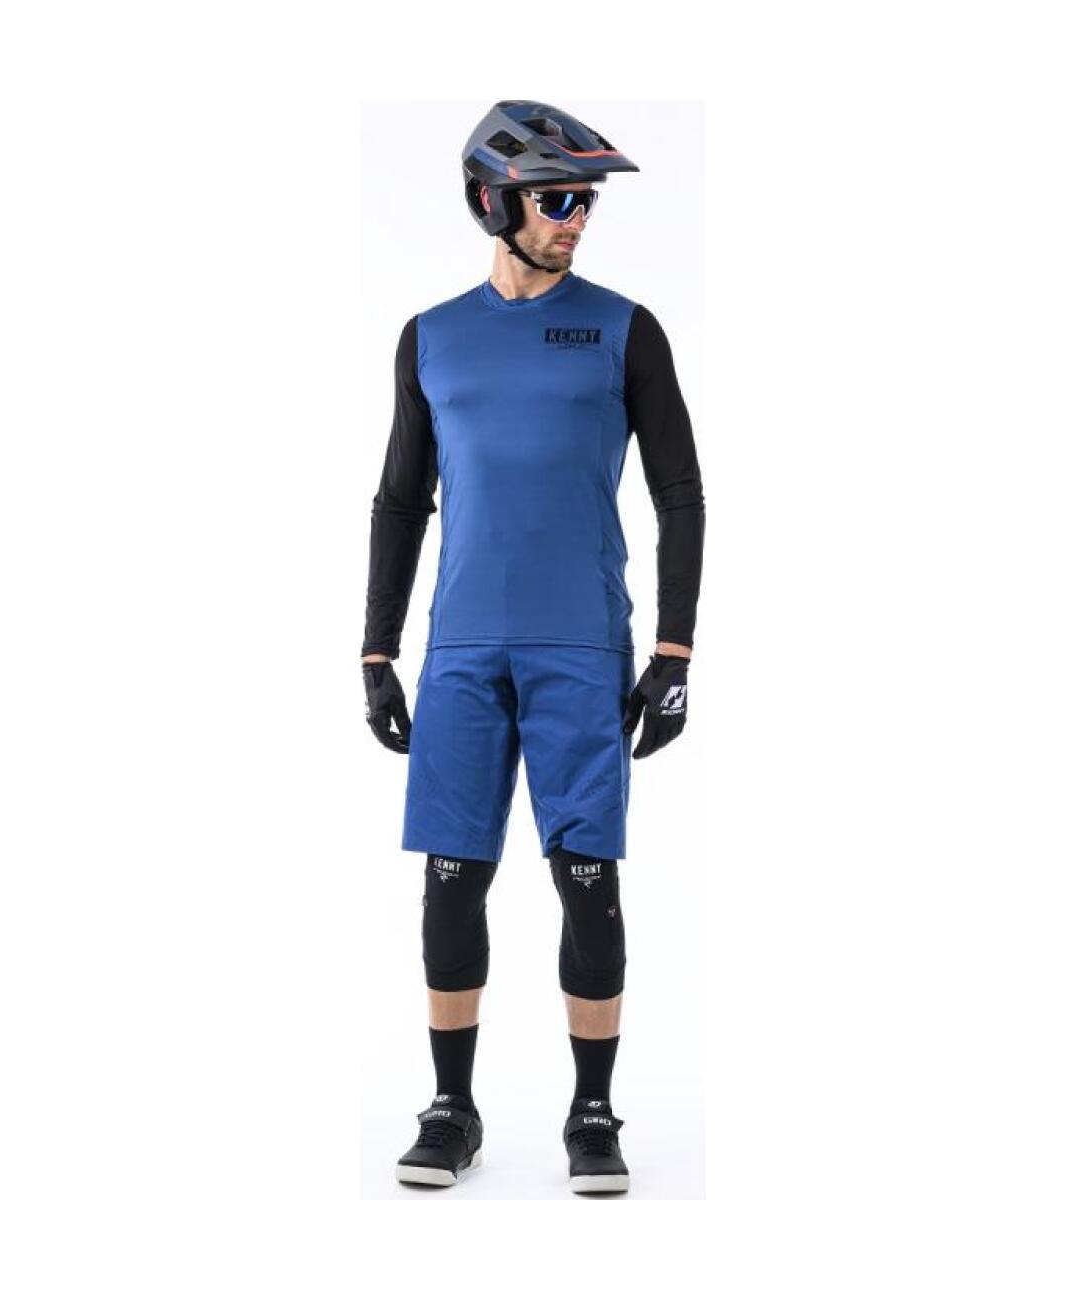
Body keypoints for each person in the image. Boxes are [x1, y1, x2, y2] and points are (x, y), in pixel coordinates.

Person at [361, 101, 704, 1195]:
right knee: (450, 885)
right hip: (461, 652)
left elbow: (681, 494)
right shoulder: (430, 336)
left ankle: (592, 1115)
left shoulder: (625, 328)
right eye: (557, 198)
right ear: (490, 202)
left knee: (587, 883)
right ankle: (451, 1109)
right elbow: (400, 499)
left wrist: (674, 653)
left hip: (579, 651)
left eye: (585, 200)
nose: (577, 218)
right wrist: (375, 652)